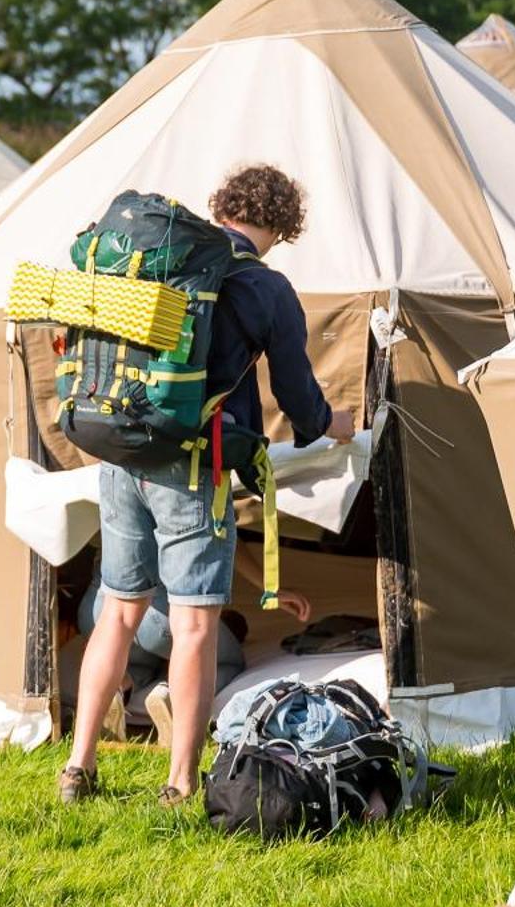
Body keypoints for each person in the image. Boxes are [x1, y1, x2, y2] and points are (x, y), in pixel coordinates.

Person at [58, 164, 355, 807]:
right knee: (194, 628)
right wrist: (335, 424)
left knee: (116, 613)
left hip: (119, 457)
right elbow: (299, 400)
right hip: (193, 468)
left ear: (221, 207)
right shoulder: (263, 285)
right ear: (280, 227)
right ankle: (180, 783)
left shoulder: (158, 263)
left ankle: (78, 766)